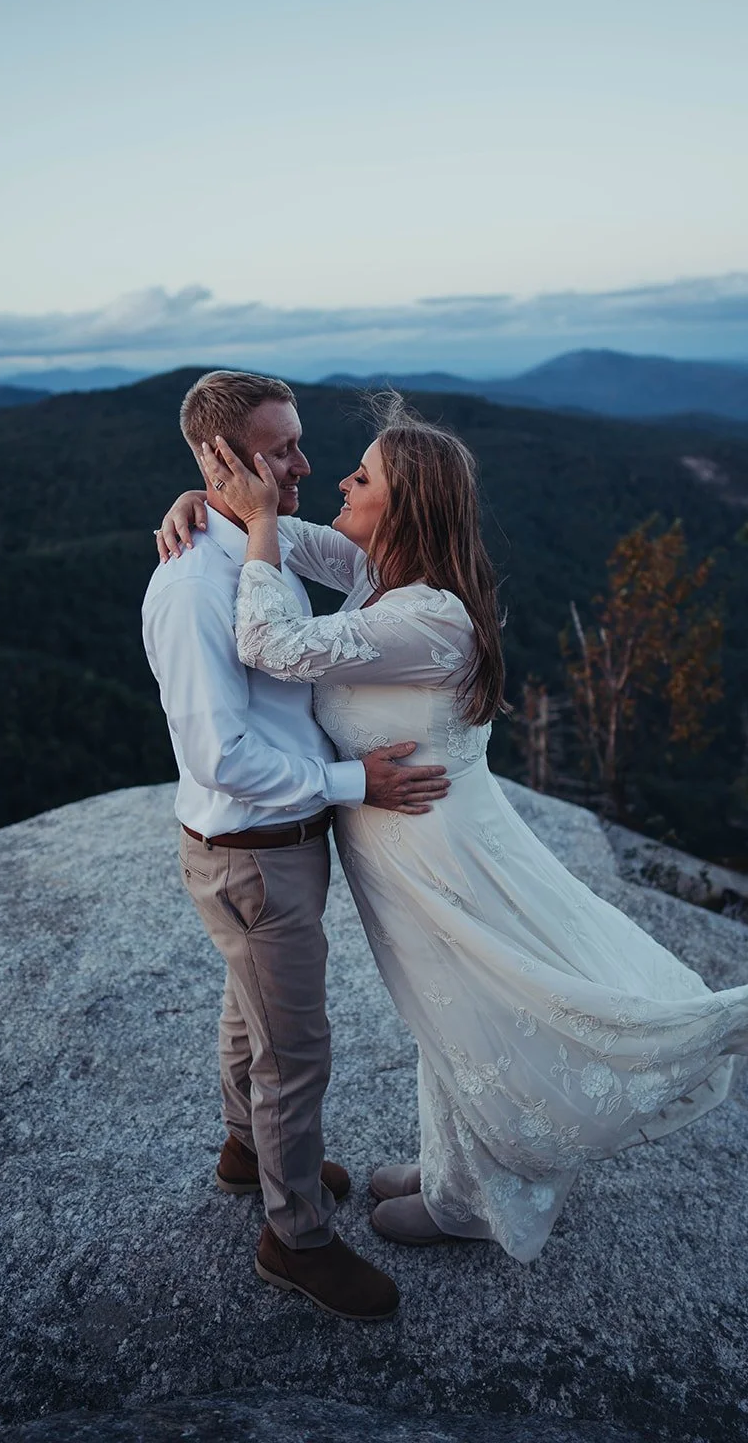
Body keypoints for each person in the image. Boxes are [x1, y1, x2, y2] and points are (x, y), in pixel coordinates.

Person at [159, 392, 748, 1265]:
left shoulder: (428, 616)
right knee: (440, 1017)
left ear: (402, 506)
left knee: (473, 1015)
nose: (338, 475)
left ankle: (479, 1201)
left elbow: (268, 640)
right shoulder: (381, 573)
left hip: (436, 850)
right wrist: (202, 503)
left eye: (361, 474)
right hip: (403, 843)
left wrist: (249, 517)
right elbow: (278, 538)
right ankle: (451, 1168)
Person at [142, 370, 452, 1322]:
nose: (304, 465)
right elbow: (219, 754)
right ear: (219, 457)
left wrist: (234, 506)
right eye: (279, 451)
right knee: (297, 1049)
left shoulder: (246, 542)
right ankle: (296, 1238)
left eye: (300, 443)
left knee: (254, 1009)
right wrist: (358, 783)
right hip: (253, 847)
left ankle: (246, 1151)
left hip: (280, 844)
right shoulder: (197, 580)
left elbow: (313, 573)